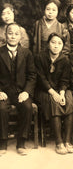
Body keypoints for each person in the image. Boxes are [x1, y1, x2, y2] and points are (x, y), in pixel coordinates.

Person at [34, 32, 73, 155]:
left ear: (63, 46)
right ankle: (59, 142)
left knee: (69, 100)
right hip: (43, 90)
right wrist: (54, 93)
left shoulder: (65, 60)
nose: (56, 46)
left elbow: (65, 80)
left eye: (59, 43)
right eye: (53, 42)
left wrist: (62, 93)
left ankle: (67, 141)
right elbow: (41, 79)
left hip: (60, 90)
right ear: (48, 44)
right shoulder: (39, 58)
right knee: (54, 102)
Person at [0, 23, 36, 156]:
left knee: (27, 107)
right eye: (10, 33)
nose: (13, 36)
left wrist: (26, 92)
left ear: (20, 36)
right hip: (3, 92)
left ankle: (21, 142)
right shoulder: (0, 52)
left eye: (16, 34)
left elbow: (32, 75)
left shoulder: (27, 53)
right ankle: (2, 142)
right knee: (1, 108)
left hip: (21, 91)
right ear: (5, 35)